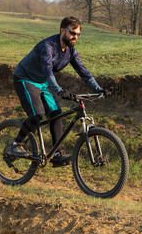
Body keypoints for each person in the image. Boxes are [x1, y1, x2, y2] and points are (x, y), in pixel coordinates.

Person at [7, 16, 110, 167]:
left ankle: (56, 154)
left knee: (56, 113)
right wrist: (60, 91)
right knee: (37, 115)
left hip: (41, 82)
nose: (75, 37)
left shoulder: (71, 51)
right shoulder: (48, 46)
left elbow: (83, 72)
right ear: (62, 31)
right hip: (25, 78)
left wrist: (98, 89)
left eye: (78, 34)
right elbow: (48, 71)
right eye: (72, 33)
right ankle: (16, 144)